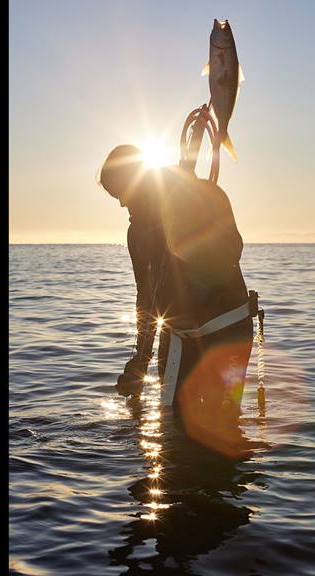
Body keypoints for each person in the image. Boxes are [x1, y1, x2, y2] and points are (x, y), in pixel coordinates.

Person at [97, 144, 254, 430]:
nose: (121, 204)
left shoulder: (205, 195)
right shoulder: (137, 234)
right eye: (116, 197)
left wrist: (181, 223)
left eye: (123, 193)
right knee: (173, 426)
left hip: (228, 330)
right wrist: (141, 362)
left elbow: (232, 251)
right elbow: (145, 298)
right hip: (179, 338)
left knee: (225, 425)